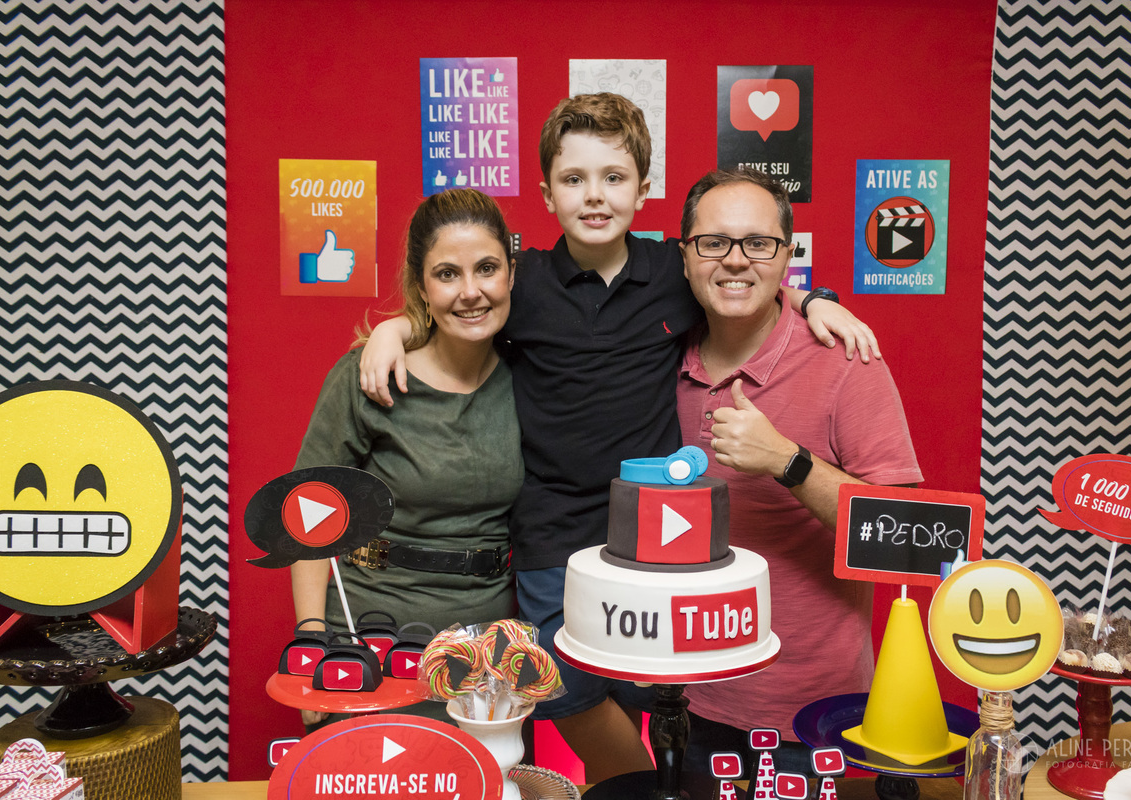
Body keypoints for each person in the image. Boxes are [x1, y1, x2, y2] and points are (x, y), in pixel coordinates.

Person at [357, 94, 879, 782]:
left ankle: (662, 784)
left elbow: (744, 280)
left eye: (614, 177)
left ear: (644, 188)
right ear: (547, 193)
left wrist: (813, 300)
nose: (595, 196)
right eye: (574, 179)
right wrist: (396, 328)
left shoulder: (674, 271)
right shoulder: (522, 281)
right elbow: (460, 308)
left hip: (654, 535)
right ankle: (641, 787)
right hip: (551, 534)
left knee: (658, 693)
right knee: (565, 693)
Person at [673, 168, 923, 770]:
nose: (736, 260)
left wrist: (787, 461)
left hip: (810, 714)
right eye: (714, 242)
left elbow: (907, 543)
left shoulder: (845, 360)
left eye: (759, 243)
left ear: (787, 256)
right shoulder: (658, 352)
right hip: (683, 693)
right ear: (683, 256)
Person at [290, 188, 523, 728]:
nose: (471, 291)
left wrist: (395, 325)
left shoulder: (532, 375)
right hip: (373, 637)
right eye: (447, 274)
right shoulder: (370, 377)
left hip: (487, 650)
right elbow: (309, 515)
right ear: (422, 286)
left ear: (512, 274)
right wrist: (311, 644)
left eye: (487, 268)